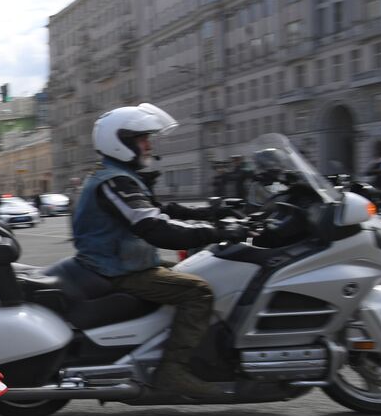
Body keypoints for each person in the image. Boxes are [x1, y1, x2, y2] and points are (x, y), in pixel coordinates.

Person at [71, 104, 248, 399]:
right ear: (122, 141)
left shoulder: (117, 175)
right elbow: (155, 227)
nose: (149, 145)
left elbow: (160, 210)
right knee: (198, 291)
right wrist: (219, 231)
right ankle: (173, 372)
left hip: (122, 261)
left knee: (202, 269)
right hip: (116, 268)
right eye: (143, 139)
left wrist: (212, 210)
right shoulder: (115, 182)